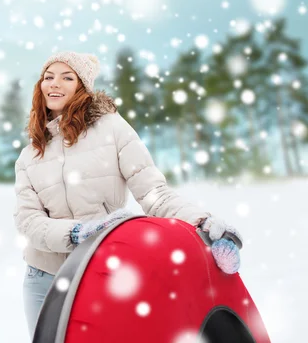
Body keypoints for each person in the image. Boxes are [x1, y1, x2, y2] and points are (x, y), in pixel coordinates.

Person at [14, 51, 242, 338]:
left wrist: (202, 222)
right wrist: (78, 233)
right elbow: (29, 222)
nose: (54, 84)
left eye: (66, 77)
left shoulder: (112, 129)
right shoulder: (30, 155)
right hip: (42, 278)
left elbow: (154, 194)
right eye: (48, 77)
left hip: (97, 271)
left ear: (81, 88)